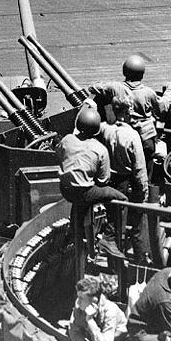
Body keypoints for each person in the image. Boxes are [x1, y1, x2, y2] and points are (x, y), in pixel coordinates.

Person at [57, 107, 127, 257]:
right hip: (83, 192)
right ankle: (109, 239)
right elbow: (103, 180)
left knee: (82, 195)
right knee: (121, 198)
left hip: (65, 189)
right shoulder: (99, 149)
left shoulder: (67, 139)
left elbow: (60, 155)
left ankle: (73, 230)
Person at [89, 54, 171, 168]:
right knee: (144, 168)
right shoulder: (148, 93)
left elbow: (93, 87)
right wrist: (169, 91)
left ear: (124, 71)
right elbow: (162, 108)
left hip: (122, 137)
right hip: (145, 138)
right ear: (142, 74)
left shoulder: (114, 87)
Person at [98, 95, 149, 260]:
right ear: (128, 111)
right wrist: (144, 192)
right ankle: (138, 259)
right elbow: (139, 167)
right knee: (132, 222)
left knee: (114, 220)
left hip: (108, 181)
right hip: (126, 183)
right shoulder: (132, 135)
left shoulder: (105, 129)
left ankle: (113, 260)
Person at [69, 276, 128, 341]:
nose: (78, 302)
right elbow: (73, 332)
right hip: (95, 337)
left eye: (81, 298)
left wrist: (90, 320)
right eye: (78, 297)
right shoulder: (79, 304)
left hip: (116, 338)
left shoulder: (110, 311)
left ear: (94, 301)